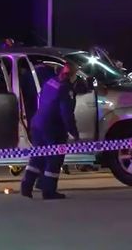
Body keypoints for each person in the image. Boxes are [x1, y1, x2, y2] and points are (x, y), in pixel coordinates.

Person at [21, 62, 80, 200]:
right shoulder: (65, 89)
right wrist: (73, 132)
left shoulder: (50, 82)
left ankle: (26, 185)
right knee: (54, 159)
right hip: (53, 128)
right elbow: (66, 113)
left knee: (38, 156)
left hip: (38, 124)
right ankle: (48, 191)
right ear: (71, 74)